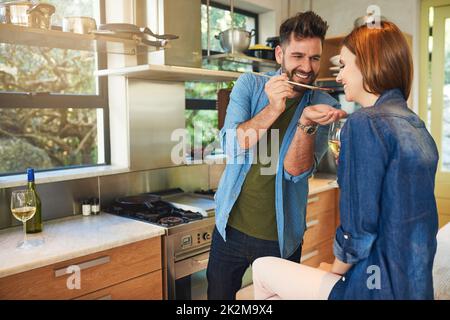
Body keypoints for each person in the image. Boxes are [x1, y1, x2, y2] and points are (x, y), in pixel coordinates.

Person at [252, 20, 439, 300]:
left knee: (263, 268)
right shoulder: (415, 124)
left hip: (372, 290)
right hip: (415, 289)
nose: (339, 77)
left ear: (368, 64)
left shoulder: (364, 122)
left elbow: (359, 231)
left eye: (344, 66)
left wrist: (336, 270)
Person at [207, 11, 346, 300]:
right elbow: (232, 146)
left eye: (314, 58)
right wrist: (273, 108)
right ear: (280, 53)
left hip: (280, 238)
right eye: (298, 56)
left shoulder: (322, 105)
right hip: (228, 230)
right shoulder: (250, 85)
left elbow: (296, 172)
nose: (307, 67)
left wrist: (306, 122)